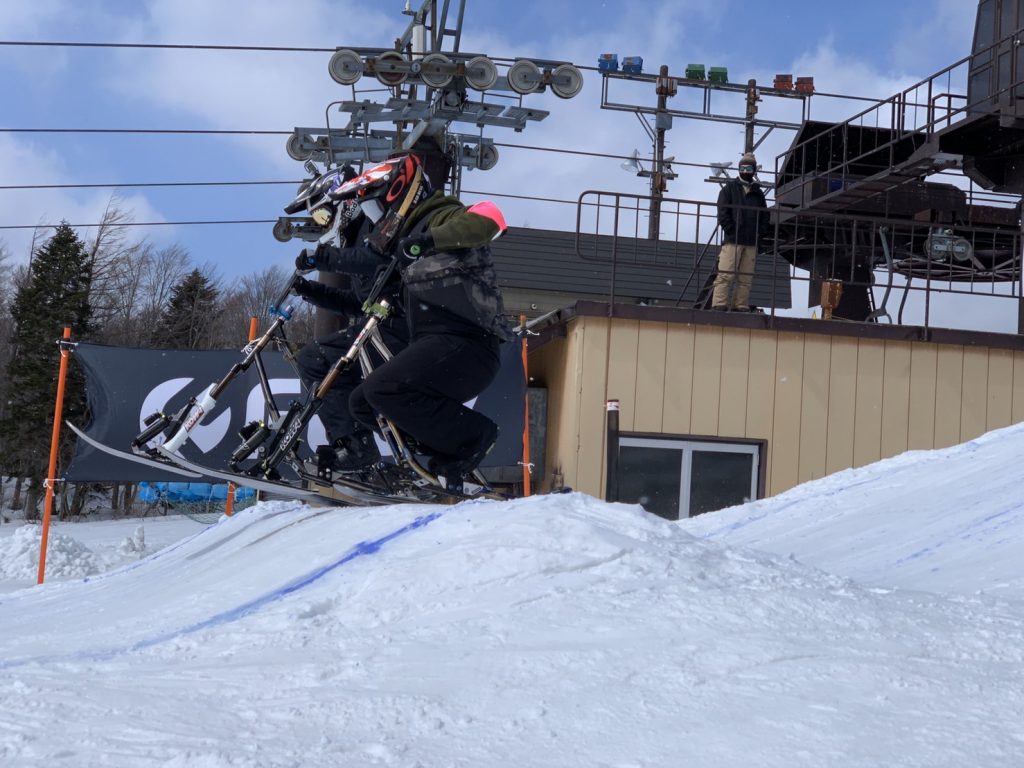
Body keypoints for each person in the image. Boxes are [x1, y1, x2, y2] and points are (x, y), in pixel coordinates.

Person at [298, 152, 512, 491]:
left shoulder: (442, 214)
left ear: (399, 194)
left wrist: (428, 240)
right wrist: (311, 290)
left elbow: (491, 218)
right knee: (363, 403)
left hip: (469, 342)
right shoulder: (400, 241)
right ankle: (438, 462)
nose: (376, 219)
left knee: (383, 388)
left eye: (376, 207)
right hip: (432, 344)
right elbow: (365, 300)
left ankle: (473, 437)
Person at [713, 151, 770, 311]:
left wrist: (760, 233)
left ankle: (740, 305)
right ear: (738, 169)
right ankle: (719, 304)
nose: (746, 171)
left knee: (746, 278)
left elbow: (764, 215)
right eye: (743, 168)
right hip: (733, 240)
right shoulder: (729, 189)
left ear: (754, 171)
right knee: (725, 274)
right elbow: (722, 211)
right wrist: (731, 230)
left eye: (749, 168)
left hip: (751, 241)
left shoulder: (757, 193)